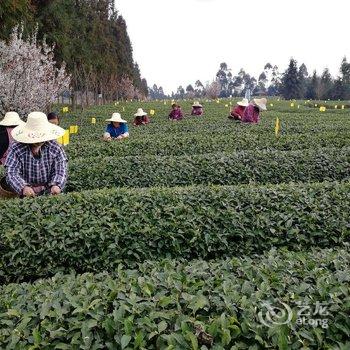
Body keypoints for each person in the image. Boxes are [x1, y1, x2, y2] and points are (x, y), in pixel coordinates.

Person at [1, 111, 67, 198]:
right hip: (24, 194)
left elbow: (61, 169)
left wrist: (56, 185)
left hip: (48, 192)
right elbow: (12, 172)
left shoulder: (55, 147)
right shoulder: (16, 148)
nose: (38, 141)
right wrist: (23, 187)